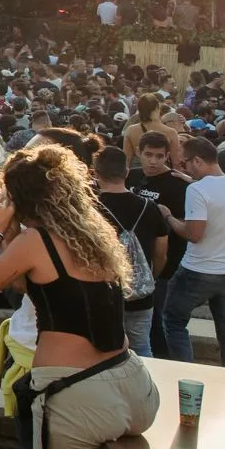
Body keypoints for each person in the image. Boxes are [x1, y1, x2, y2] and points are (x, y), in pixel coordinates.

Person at [0, 143, 159, 449]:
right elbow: (28, 285)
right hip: (133, 383)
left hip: (78, 396)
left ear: (18, 199)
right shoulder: (94, 231)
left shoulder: (37, 241)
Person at [157, 135, 225, 366]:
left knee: (173, 321)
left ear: (197, 161)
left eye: (185, 163)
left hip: (198, 271)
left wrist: (168, 216)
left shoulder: (198, 191)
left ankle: (186, 374)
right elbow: (218, 197)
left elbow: (194, 234)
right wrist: (190, 180)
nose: (184, 167)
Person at [92, 146, 166, 357]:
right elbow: (161, 253)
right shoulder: (149, 207)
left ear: (96, 174)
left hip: (102, 292)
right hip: (141, 293)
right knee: (142, 345)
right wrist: (151, 276)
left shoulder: (88, 209)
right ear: (126, 172)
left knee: (102, 349)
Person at [126, 131, 190, 357]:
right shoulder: (130, 177)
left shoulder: (177, 184)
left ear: (167, 157)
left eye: (159, 156)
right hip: (130, 267)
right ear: (138, 153)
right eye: (148, 155)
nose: (153, 161)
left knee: (157, 325)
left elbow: (184, 226)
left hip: (163, 264)